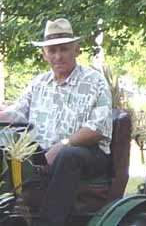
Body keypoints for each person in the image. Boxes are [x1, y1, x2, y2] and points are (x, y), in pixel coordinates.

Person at [0, 18, 113, 226]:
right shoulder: (39, 83)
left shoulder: (94, 81)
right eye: (52, 51)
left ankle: (50, 222)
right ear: (44, 54)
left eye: (64, 49)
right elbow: (17, 114)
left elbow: (97, 129)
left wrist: (61, 146)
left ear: (76, 49)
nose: (58, 56)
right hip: (41, 154)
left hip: (88, 154)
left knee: (67, 156)